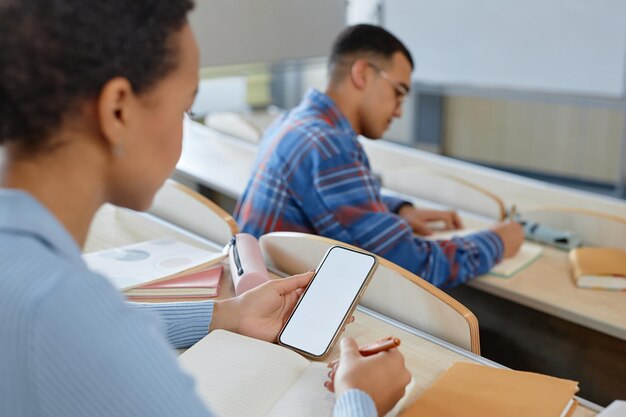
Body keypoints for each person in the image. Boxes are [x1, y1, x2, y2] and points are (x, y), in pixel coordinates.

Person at [0, 2, 410, 417]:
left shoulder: (40, 287)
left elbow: (84, 329)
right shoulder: (62, 314)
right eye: (185, 108)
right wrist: (362, 400)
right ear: (117, 111)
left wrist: (229, 315)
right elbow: (80, 330)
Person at [235, 24, 524, 288]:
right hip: (286, 310)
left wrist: (398, 210)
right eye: (399, 92)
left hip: (262, 288)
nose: (399, 110)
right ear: (362, 73)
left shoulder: (294, 121)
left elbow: (322, 198)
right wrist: (496, 241)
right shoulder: (330, 147)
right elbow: (411, 268)